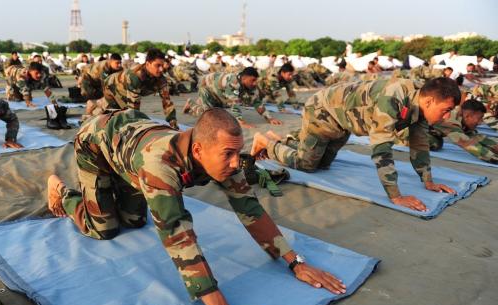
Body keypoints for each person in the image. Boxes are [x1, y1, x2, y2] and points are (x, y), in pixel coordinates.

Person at [47, 108, 346, 305]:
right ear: (199, 150)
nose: (234, 163)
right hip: (97, 142)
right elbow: (178, 237)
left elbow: (250, 210)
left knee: (134, 221)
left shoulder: (221, 155)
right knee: (103, 228)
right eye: (227, 154)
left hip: (133, 144)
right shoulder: (159, 167)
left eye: (236, 152)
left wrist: (295, 262)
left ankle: (113, 189)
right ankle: (62, 191)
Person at [251, 77, 461, 212]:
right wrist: (396, 196)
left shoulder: (421, 102)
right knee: (306, 164)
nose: (447, 116)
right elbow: (381, 150)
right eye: (446, 109)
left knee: (323, 164)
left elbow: (420, 144)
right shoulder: (392, 99)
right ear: (430, 102)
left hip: (344, 122)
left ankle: (284, 140)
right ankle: (267, 142)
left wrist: (428, 180)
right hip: (322, 111)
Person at [98, 48, 178, 129]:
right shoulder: (136, 76)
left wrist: (173, 124)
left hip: (127, 89)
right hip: (111, 86)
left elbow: (167, 103)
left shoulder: (161, 79)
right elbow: (133, 108)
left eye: (162, 65)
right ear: (147, 64)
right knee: (116, 117)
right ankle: (96, 106)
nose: (161, 69)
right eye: (157, 65)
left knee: (126, 116)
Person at [184, 67, 282, 128]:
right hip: (206, 87)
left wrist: (269, 118)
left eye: (256, 80)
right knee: (209, 118)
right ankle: (191, 103)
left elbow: (257, 102)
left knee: (217, 115)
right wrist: (241, 122)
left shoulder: (251, 86)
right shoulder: (233, 82)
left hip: (219, 94)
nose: (255, 83)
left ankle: (192, 108)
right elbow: (234, 104)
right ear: (244, 78)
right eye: (252, 80)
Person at [427, 99, 498, 163]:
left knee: (436, 142)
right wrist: (494, 158)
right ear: (467, 116)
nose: (480, 123)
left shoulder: (462, 119)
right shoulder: (451, 121)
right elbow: (467, 143)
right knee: (434, 143)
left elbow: (478, 138)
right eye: (479, 118)